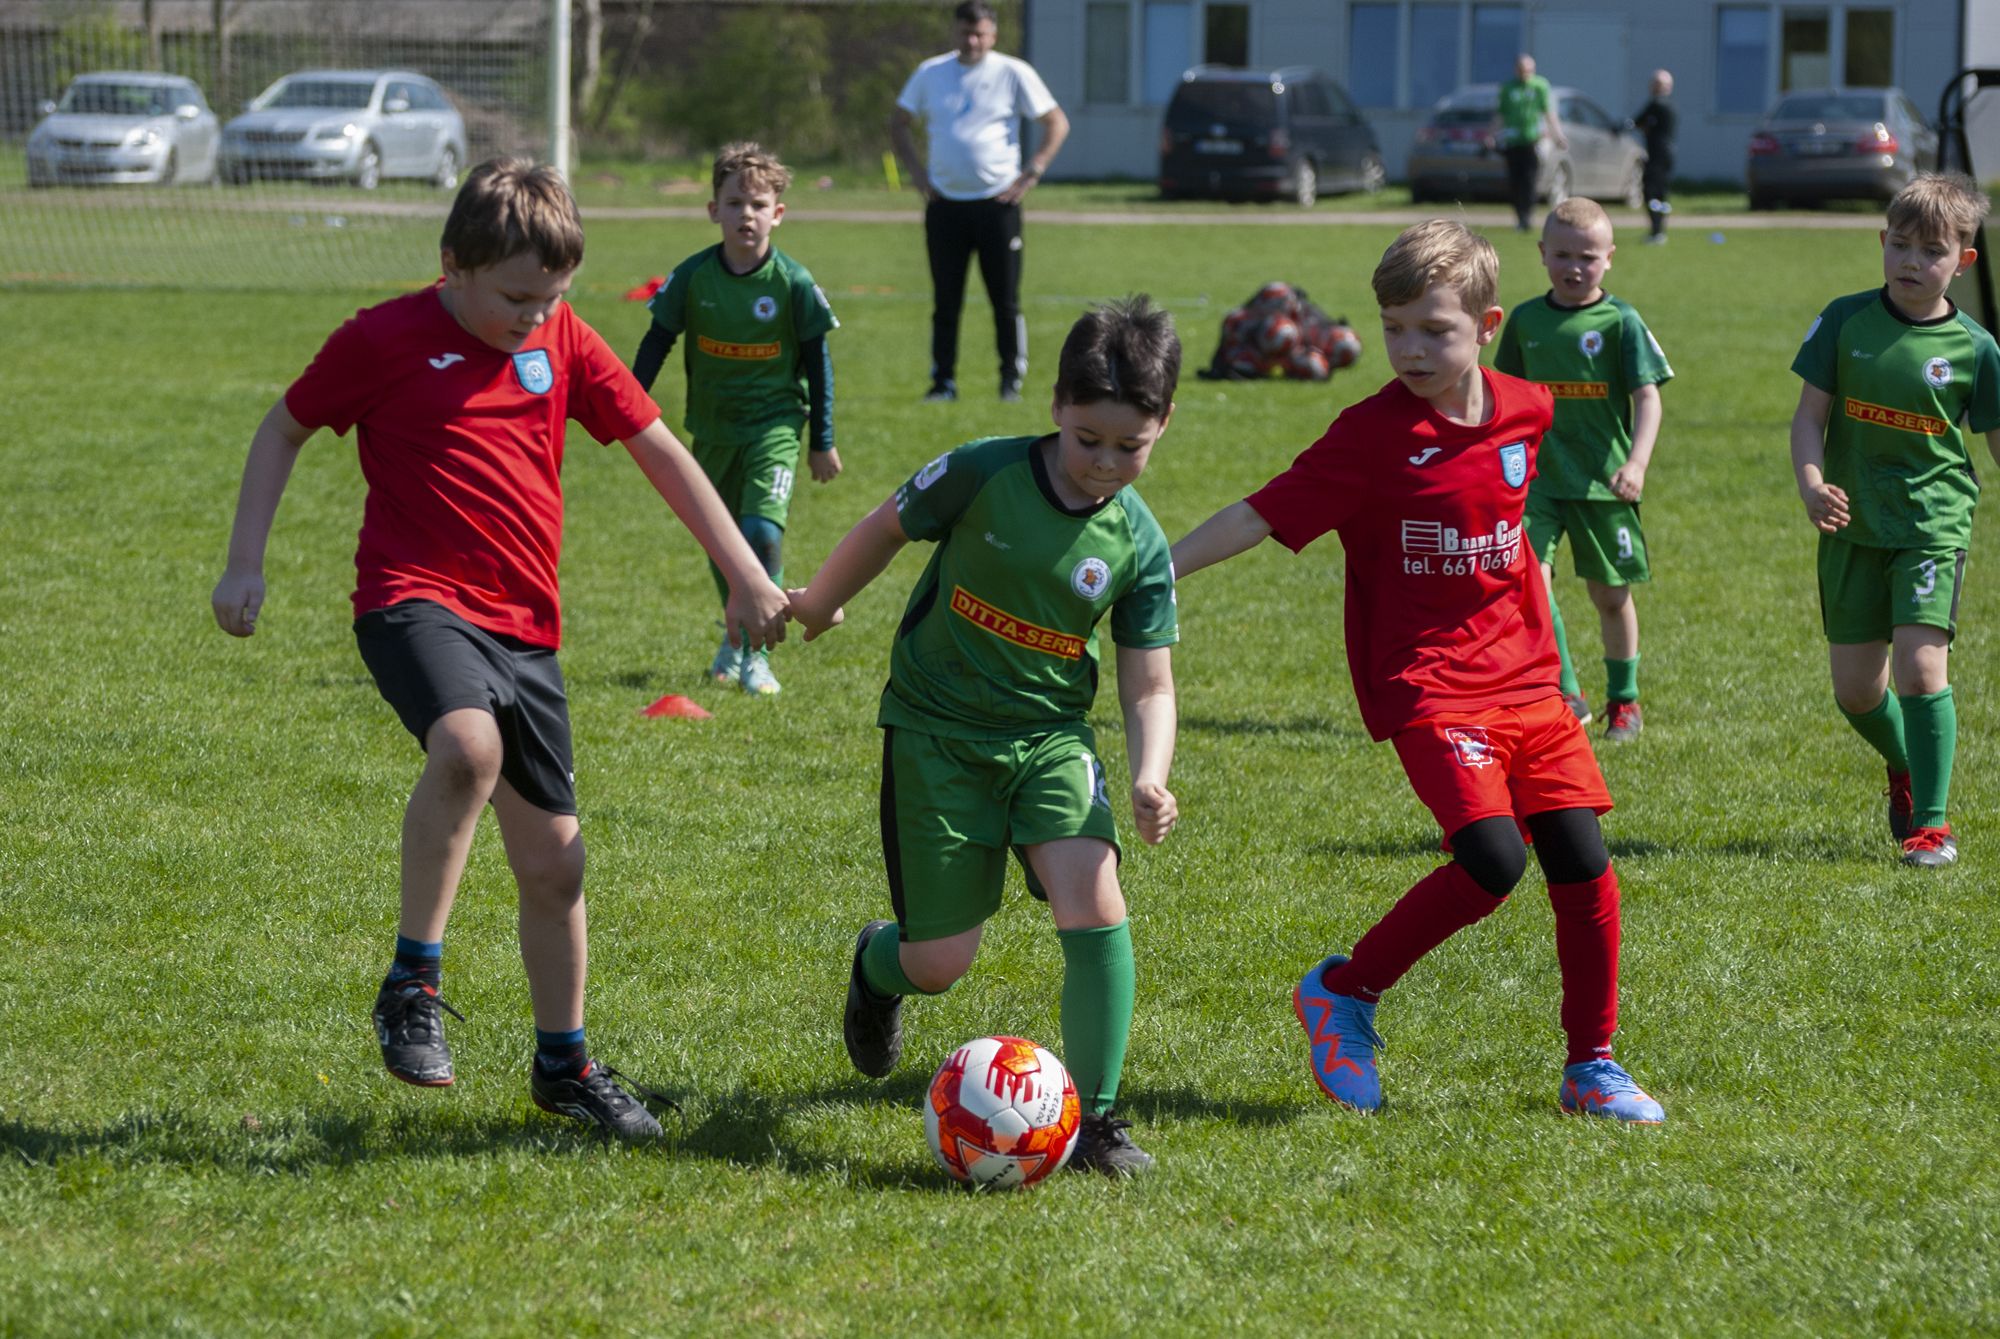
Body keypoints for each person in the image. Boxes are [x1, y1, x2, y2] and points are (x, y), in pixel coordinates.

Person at [211, 158, 790, 1137]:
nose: (535, 317)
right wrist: (243, 562)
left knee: (556, 866)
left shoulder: (561, 336)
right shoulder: (381, 338)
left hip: (525, 631)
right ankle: (412, 983)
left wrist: (742, 572)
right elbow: (284, 428)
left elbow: (657, 447)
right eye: (516, 298)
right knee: (466, 747)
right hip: (412, 602)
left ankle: (565, 1064)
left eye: (550, 298)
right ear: (454, 264)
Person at [1173, 220, 1664, 1124]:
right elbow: (1259, 513)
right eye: (1394, 328)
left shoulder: (1528, 408)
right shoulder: (1370, 436)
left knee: (1584, 862)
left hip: (1527, 677)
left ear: (1487, 326)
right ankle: (1345, 992)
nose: (1409, 350)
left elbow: (1508, 523)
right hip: (1429, 681)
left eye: (1434, 330)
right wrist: (1159, 571)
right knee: (1492, 858)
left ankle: (1592, 1064)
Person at [789, 297, 1182, 1174]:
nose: (1104, 463)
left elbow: (1150, 680)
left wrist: (1150, 773)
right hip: (936, 731)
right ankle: (876, 967)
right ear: (1056, 405)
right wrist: (818, 602)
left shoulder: (1138, 543)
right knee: (939, 962)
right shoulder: (982, 472)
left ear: (1162, 425)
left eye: (1129, 447)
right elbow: (885, 526)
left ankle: (1097, 1120)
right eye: (1088, 439)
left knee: (1096, 900)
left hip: (1050, 738)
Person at [1790, 171, 2000, 869]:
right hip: (1851, 524)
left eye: (1932, 251)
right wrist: (1812, 483)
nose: (1912, 262)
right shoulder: (1845, 320)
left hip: (1932, 523)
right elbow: (1809, 416)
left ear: (1963, 261)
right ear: (1882, 241)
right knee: (1857, 692)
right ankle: (1905, 763)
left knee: (1921, 667)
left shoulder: (1976, 348)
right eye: (1900, 245)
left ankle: (1932, 827)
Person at [632, 142, 840, 696]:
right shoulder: (693, 277)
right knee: (722, 545)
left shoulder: (793, 283)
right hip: (712, 430)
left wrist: (821, 440)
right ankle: (735, 635)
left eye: (758, 204)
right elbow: (656, 341)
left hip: (775, 427)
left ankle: (757, 656)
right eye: (734, 203)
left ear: (778, 213)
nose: (746, 214)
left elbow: (818, 363)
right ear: (713, 211)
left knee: (761, 534)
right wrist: (625, 406)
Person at [1495, 197, 1672, 741]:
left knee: (1611, 596)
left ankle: (1625, 699)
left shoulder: (1620, 322)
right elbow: (1505, 397)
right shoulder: (1525, 320)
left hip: (1604, 481)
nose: (1574, 268)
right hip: (1538, 481)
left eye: (1588, 257)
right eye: (1563, 255)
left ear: (1609, 258)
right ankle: (1567, 691)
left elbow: (1648, 398)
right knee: (1529, 582)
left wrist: (1637, 463)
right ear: (1542, 253)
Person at [890, 0, 1069, 403]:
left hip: (997, 205)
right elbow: (898, 122)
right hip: (945, 205)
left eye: (980, 34)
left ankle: (1010, 380)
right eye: (965, 33)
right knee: (946, 301)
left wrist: (1033, 171)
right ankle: (943, 382)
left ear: (993, 35)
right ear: (954, 32)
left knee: (1005, 300)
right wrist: (917, 173)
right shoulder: (931, 72)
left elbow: (1056, 121)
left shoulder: (1013, 72)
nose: (972, 41)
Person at [1492, 53, 1566, 234]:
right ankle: (1519, 216)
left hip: (1533, 140)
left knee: (1530, 180)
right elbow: (1500, 114)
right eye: (1521, 70)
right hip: (1513, 141)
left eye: (1528, 70)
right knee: (1515, 182)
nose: (1525, 74)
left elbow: (1549, 113)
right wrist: (1491, 134)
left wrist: (1558, 135)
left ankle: (1527, 216)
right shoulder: (1508, 88)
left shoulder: (1540, 86)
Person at [1632, 70, 1676, 244]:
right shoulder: (1671, 106)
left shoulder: (1656, 104)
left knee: (1651, 192)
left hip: (1657, 156)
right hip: (1668, 155)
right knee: (1661, 193)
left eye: (1657, 84)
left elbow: (1637, 121)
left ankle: (1656, 231)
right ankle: (1659, 230)